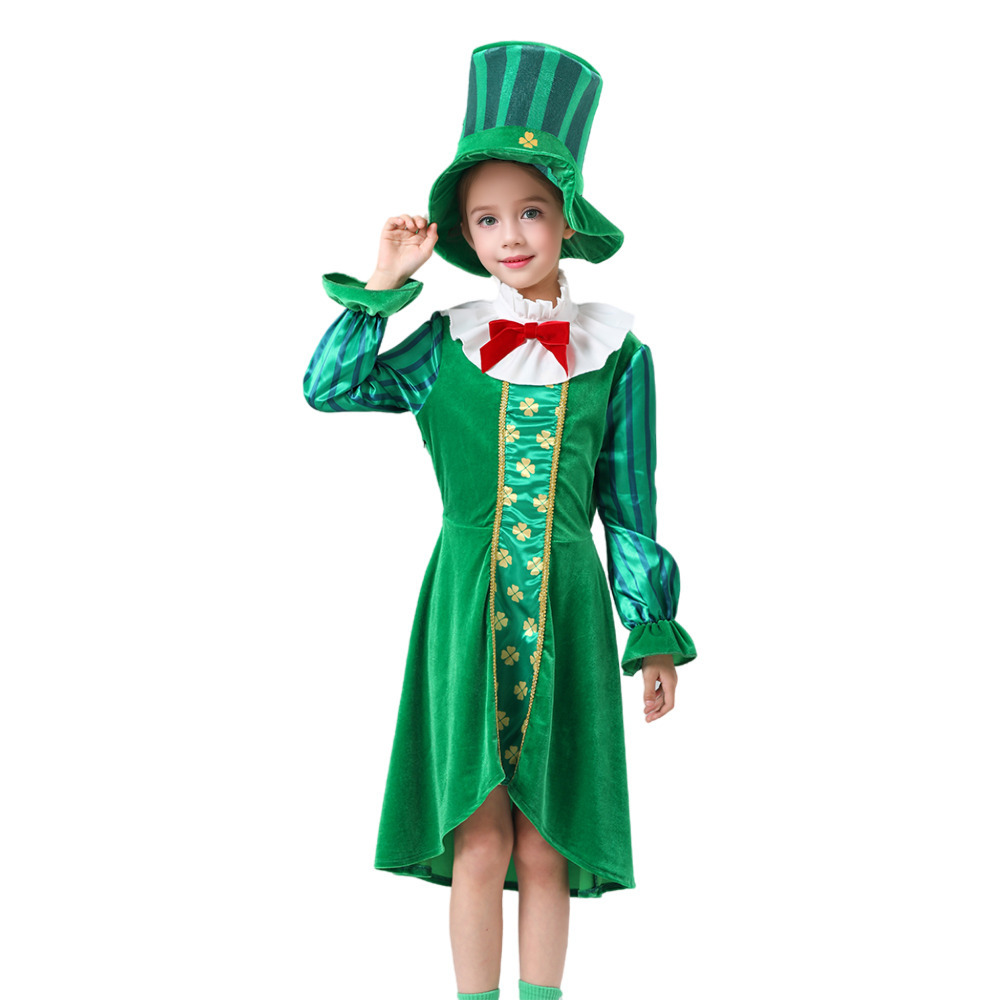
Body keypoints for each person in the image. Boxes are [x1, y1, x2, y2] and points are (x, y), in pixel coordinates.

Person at [303, 40, 697, 1000]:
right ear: (465, 235)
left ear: (566, 217)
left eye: (529, 211)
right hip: (466, 599)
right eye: (486, 218)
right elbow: (329, 387)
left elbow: (630, 504)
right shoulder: (447, 343)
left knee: (548, 839)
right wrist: (384, 283)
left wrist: (650, 632)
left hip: (568, 603)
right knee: (479, 835)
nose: (510, 235)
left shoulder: (620, 355)